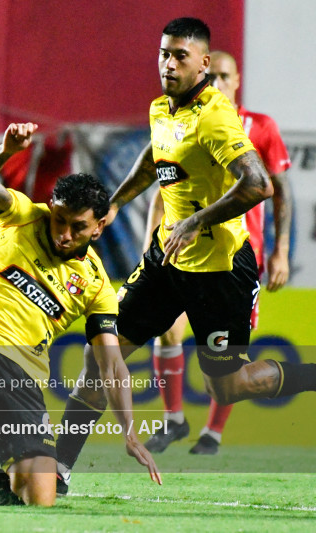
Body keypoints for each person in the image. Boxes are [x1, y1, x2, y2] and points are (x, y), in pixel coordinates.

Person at [53, 17, 315, 494]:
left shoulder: (216, 117)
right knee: (101, 355)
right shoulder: (162, 107)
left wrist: (197, 222)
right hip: (167, 259)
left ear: (203, 64)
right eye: (164, 54)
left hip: (221, 271)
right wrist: (116, 203)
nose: (168, 64)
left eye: (180, 56)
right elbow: (155, 157)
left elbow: (259, 184)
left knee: (227, 386)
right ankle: (57, 471)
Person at [0, 123, 161, 507]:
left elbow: (111, 365)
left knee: (39, 497)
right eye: (60, 220)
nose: (64, 234)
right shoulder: (24, 215)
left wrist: (129, 431)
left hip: (24, 377)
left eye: (78, 227)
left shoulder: (96, 285)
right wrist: (6, 152)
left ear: (98, 227)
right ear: (52, 209)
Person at [143, 50, 293, 455]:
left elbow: (278, 190)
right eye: (215, 77)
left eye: (227, 76)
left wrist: (280, 250)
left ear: (238, 80)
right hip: (182, 252)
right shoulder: (187, 121)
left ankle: (212, 432)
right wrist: (149, 247)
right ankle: (174, 420)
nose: (219, 83)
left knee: (226, 364)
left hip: (237, 257)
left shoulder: (259, 127)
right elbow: (163, 191)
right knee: (167, 331)